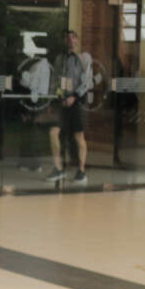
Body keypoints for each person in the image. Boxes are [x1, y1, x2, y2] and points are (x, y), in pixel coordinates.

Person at [47, 29, 91, 184]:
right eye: (67, 38)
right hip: (61, 101)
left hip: (76, 102)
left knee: (79, 137)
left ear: (77, 41)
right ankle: (58, 168)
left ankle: (81, 171)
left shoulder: (84, 58)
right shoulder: (60, 59)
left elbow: (86, 81)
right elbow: (54, 80)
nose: (70, 40)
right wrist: (54, 98)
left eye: (73, 37)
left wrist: (74, 96)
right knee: (53, 132)